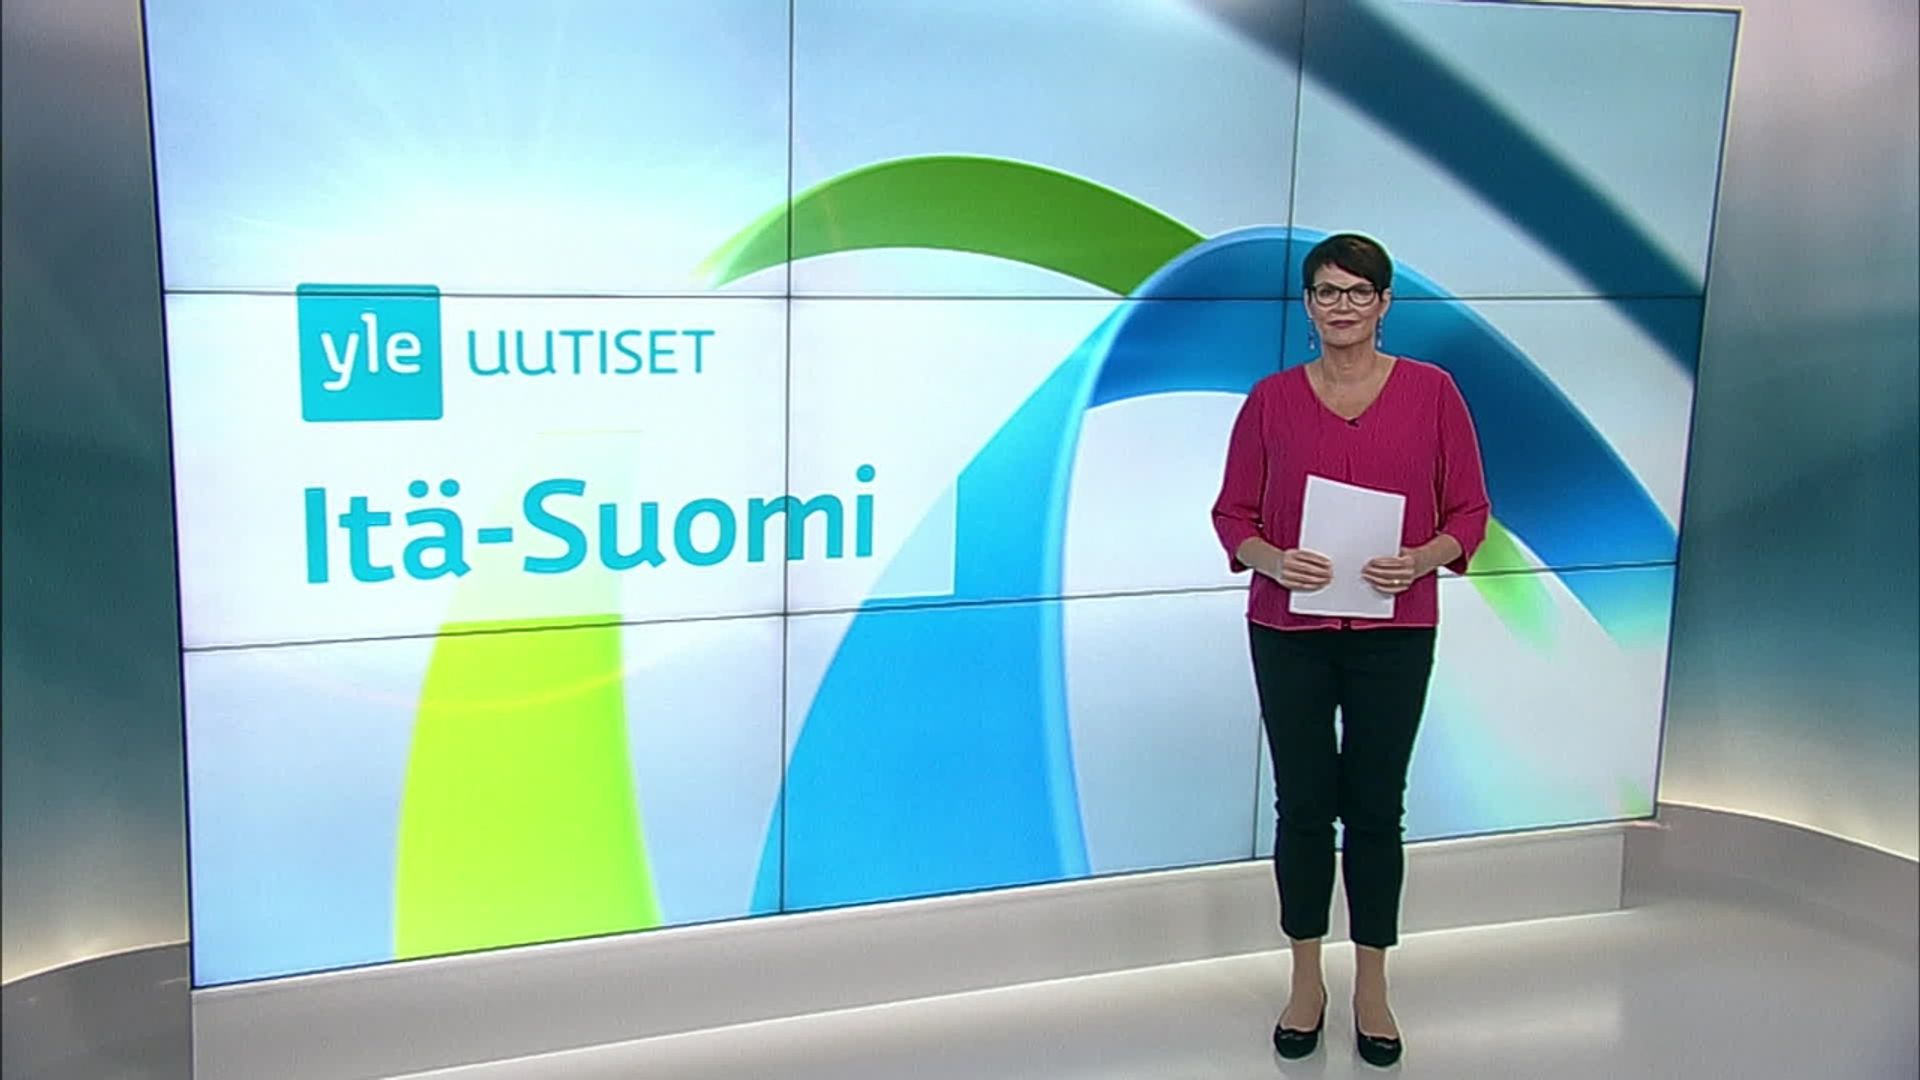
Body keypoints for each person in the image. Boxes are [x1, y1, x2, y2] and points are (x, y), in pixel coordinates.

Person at [1210, 233, 1490, 1067]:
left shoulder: (1434, 393)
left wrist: (1422, 557)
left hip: (1395, 633)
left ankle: (1372, 984)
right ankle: (1307, 979)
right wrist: (1271, 558)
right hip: (1288, 633)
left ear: (1384, 302)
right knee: (1302, 806)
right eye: (1327, 292)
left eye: (1358, 291)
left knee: (1374, 807)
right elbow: (1232, 515)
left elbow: (1469, 512)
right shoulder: (1270, 401)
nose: (1342, 306)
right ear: (1307, 305)